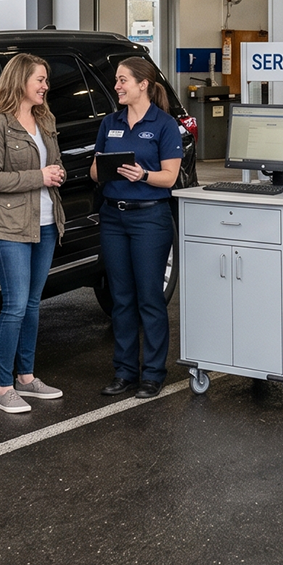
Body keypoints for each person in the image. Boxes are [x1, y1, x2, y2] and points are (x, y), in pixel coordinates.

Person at [0, 53, 68, 413]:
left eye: (46, 80)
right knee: (14, 306)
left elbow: (54, 161)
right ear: (20, 82)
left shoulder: (45, 118)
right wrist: (39, 177)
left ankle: (26, 379)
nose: (46, 86)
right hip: (10, 225)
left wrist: (57, 172)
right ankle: (2, 388)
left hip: (46, 221)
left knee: (32, 304)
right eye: (40, 80)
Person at [92, 54, 184, 398]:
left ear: (142, 85)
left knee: (149, 298)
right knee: (122, 298)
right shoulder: (110, 123)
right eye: (117, 81)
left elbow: (170, 177)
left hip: (150, 218)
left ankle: (153, 374)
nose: (116, 86)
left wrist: (143, 174)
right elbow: (94, 171)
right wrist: (106, 167)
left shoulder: (163, 125)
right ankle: (125, 371)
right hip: (114, 216)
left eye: (122, 81)